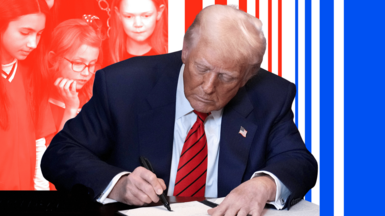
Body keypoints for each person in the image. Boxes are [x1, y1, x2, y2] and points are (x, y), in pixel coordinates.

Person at [42, 5, 317, 216]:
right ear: (185, 50)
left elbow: (299, 162)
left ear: (246, 77)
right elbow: (60, 154)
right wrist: (119, 184)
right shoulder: (123, 86)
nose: (208, 88)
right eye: (201, 68)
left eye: (226, 77)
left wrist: (263, 186)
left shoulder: (271, 95)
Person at [41, 18, 103, 190]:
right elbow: (55, 160)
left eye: (91, 64)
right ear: (53, 59)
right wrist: (70, 109)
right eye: (78, 63)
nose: (86, 72)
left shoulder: (95, 97)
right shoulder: (40, 102)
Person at [0, 0, 53, 190]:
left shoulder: (33, 75)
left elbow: (40, 142)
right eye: (25, 32)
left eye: (39, 34)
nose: (33, 43)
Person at [106, 0, 167, 65]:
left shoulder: (172, 52)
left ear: (159, 12)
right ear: (118, 14)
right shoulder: (103, 55)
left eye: (146, 16)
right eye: (129, 16)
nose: (138, 24)